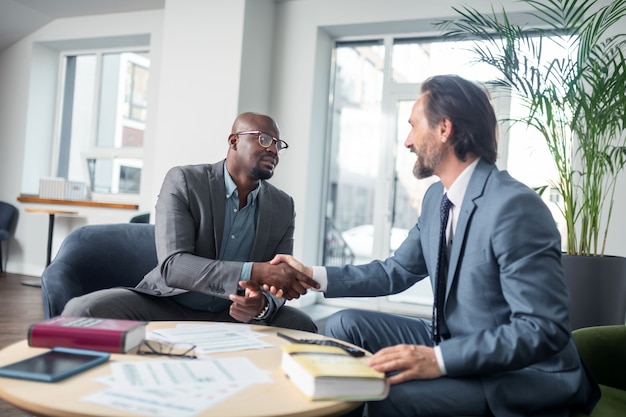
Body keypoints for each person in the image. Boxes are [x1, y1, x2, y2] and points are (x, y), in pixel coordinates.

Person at [271, 75, 600, 416]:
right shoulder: (435, 199)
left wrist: (438, 359)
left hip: (522, 374)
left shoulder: (513, 207)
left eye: (413, 126)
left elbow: (541, 329)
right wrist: (311, 274)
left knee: (392, 397)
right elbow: (396, 272)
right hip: (455, 341)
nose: (407, 141)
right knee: (344, 324)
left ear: (445, 129)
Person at [63, 112, 319, 333]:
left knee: (301, 324)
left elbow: (280, 281)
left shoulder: (283, 206)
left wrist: (260, 306)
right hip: (167, 305)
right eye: (264, 138)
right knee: (82, 310)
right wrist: (254, 272)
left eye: (278, 144)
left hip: (232, 316)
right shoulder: (185, 181)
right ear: (234, 141)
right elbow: (173, 267)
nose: (273, 149)